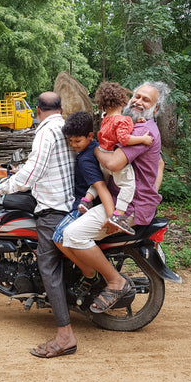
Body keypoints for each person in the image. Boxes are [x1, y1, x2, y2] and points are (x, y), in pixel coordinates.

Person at [61, 81, 169, 314]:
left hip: (128, 206)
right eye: (137, 96)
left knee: (70, 235)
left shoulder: (142, 132)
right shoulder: (135, 125)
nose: (138, 101)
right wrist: (152, 195)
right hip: (133, 201)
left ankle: (114, 281)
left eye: (146, 99)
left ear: (156, 108)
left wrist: (95, 147)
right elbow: (159, 164)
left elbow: (112, 162)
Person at [0, 92, 77, 359]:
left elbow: (33, 172)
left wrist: (0, 188)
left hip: (54, 208)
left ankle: (65, 336)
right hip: (69, 199)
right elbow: (40, 166)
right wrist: (15, 170)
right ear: (59, 108)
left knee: (47, 266)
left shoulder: (45, 132)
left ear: (37, 111)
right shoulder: (64, 125)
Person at [52, 111, 115, 299]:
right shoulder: (92, 148)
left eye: (77, 141)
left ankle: (89, 273)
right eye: (70, 141)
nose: (73, 145)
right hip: (83, 201)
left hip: (86, 205)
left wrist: (112, 216)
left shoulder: (87, 158)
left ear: (90, 136)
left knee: (58, 236)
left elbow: (100, 187)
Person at [80, 81, 152, 235]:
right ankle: (118, 215)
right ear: (122, 101)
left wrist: (134, 122)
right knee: (127, 185)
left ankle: (86, 200)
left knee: (103, 183)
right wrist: (142, 140)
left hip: (102, 159)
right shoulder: (123, 120)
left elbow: (115, 130)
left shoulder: (105, 118)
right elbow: (124, 138)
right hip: (113, 159)